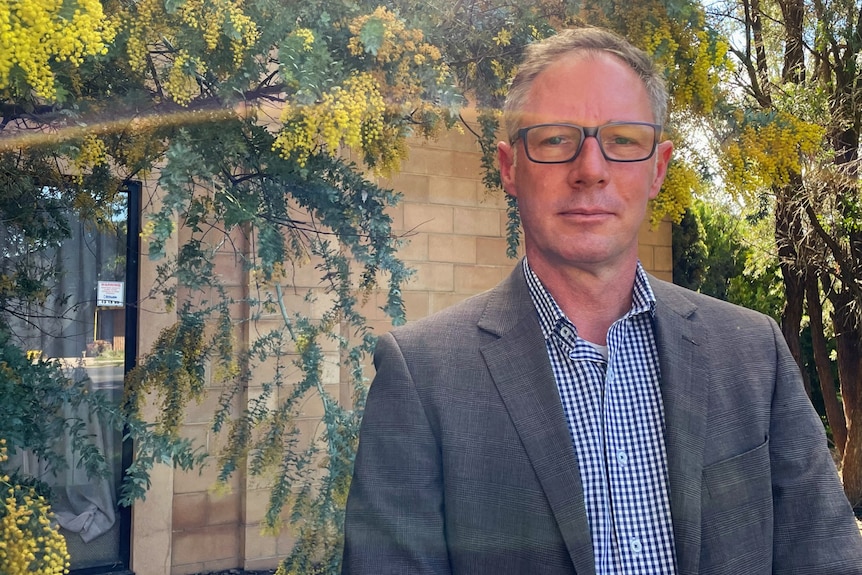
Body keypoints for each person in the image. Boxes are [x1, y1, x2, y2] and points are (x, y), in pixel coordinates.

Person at [341, 26, 862, 575]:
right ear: (509, 167)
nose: (590, 169)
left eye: (623, 141)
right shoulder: (421, 376)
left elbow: (823, 556)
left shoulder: (754, 351)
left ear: (658, 168)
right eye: (554, 140)